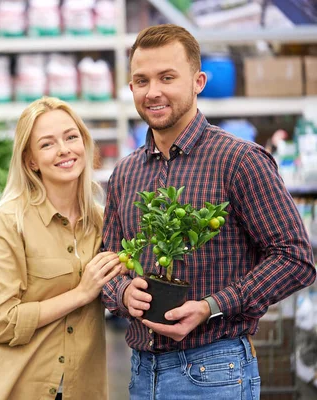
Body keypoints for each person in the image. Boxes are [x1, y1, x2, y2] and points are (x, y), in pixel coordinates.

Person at [102, 24, 316, 400]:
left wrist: (212, 306)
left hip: (215, 370)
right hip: (140, 372)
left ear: (198, 81)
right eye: (141, 80)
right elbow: (106, 259)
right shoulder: (126, 173)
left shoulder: (239, 161)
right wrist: (122, 292)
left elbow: (296, 258)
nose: (153, 92)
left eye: (167, 77)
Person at [0, 97, 124, 400]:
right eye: (47, 144)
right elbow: (1, 321)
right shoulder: (9, 221)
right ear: (30, 161)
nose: (64, 150)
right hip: (19, 387)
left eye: (71, 137)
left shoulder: (102, 221)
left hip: (82, 388)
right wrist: (81, 294)